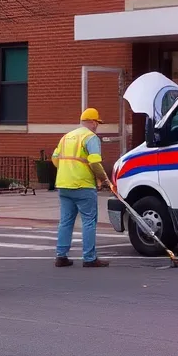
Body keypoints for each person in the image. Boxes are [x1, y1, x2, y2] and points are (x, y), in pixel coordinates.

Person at [51, 108, 114, 268]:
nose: (97, 126)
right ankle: (89, 257)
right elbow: (94, 163)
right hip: (83, 185)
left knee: (65, 221)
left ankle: (61, 256)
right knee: (89, 221)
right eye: (97, 123)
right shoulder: (90, 138)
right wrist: (104, 179)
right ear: (93, 122)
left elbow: (55, 159)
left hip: (64, 184)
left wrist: (68, 170)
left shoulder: (67, 136)